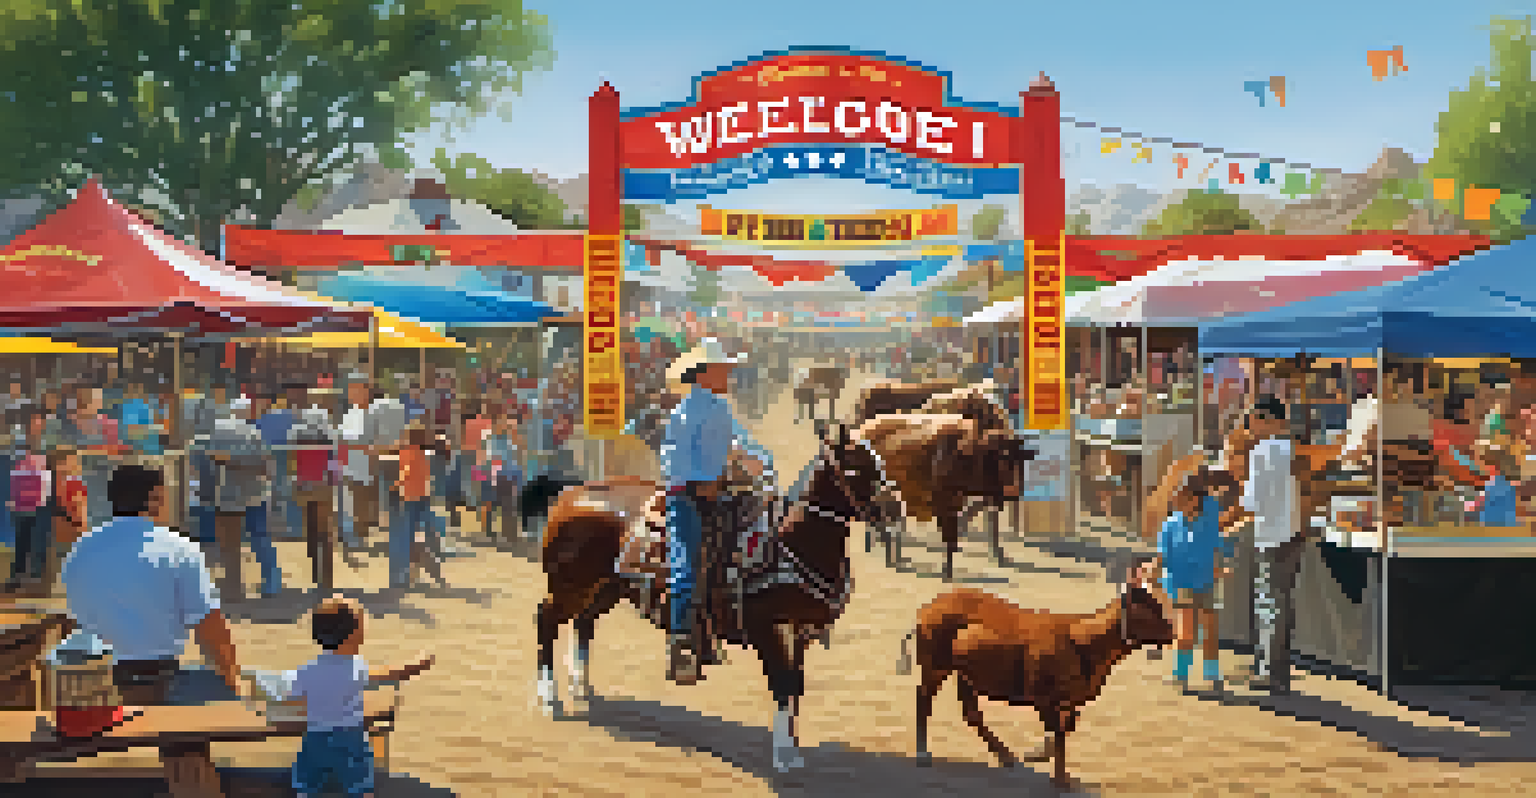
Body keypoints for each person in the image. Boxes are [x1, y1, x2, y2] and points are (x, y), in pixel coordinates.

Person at [59, 464, 250, 707]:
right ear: (156, 499)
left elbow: (75, 617)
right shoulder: (178, 548)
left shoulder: (81, 549)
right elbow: (209, 626)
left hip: (89, 677)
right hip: (156, 677)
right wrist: (232, 684)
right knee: (199, 716)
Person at [280, 596, 434, 798]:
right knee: (358, 784)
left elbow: (290, 698)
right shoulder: (356, 668)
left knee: (308, 781)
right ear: (355, 635)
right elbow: (393, 673)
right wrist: (420, 662)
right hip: (350, 739)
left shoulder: (306, 670)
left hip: (316, 738)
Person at [659, 337, 744, 685]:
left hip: (719, 492)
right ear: (706, 373)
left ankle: (713, 629)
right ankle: (679, 640)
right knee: (686, 563)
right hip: (688, 496)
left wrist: (749, 458)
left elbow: (737, 440)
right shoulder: (683, 412)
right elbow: (673, 463)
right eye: (723, 368)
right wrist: (699, 485)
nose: (729, 373)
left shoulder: (720, 409)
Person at [1239, 395, 1302, 694]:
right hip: (1291, 532)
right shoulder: (1292, 449)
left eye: (1257, 417)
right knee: (1279, 604)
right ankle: (1275, 670)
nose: (1252, 424)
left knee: (1270, 604)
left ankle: (1270, 672)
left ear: (1273, 421)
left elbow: (1252, 502)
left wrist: (1226, 520)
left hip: (1271, 533)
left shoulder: (1262, 452)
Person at [1158, 469, 1236, 692]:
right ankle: (1180, 674)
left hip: (1207, 581)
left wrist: (1220, 565)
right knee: (1186, 633)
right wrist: (1156, 572)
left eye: (1184, 496)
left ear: (1196, 498)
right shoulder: (1170, 524)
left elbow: (1217, 543)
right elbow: (1164, 555)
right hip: (1181, 581)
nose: (1178, 501)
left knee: (1210, 630)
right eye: (1178, 497)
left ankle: (1212, 674)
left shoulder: (1210, 512)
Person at [208, 399, 281, 600]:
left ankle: (233, 588)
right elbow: (266, 465)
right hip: (255, 493)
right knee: (260, 538)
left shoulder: (219, 428)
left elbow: (214, 456)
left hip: (229, 496)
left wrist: (233, 462)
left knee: (230, 544)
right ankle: (271, 582)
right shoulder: (255, 433)